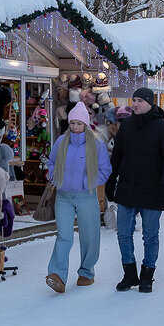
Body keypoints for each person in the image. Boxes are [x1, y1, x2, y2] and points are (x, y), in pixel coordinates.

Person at [107, 87, 164, 293]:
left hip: (153, 189)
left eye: (139, 100)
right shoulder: (127, 126)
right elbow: (117, 157)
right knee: (123, 234)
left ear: (150, 102)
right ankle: (129, 273)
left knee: (150, 235)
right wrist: (112, 181)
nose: (135, 104)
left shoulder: (163, 128)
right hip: (128, 188)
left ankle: (148, 274)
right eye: (134, 100)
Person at [44, 104, 112, 293]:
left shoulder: (96, 144)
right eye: (72, 122)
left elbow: (105, 170)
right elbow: (51, 162)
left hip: (86, 196)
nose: (74, 127)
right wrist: (54, 176)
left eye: (79, 123)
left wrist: (87, 182)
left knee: (89, 236)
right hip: (63, 196)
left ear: (86, 123)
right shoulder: (61, 142)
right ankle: (57, 275)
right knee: (63, 236)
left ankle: (86, 273)